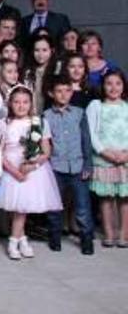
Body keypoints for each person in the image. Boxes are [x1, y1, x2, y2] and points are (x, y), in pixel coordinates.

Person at [0, 85, 63, 260]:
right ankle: (18, 240)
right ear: (9, 104)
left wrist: (31, 166)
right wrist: (14, 171)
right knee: (19, 209)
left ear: (31, 103)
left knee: (22, 209)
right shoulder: (3, 124)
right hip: (11, 169)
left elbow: (46, 151)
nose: (21, 106)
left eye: (25, 102)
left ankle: (17, 240)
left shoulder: (38, 122)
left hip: (32, 170)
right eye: (16, 102)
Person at [44, 76, 94, 255]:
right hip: (56, 166)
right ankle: (54, 237)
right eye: (59, 91)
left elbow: (86, 140)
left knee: (82, 206)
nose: (63, 95)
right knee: (55, 205)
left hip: (78, 165)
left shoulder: (80, 113)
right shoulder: (47, 116)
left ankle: (86, 239)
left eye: (67, 91)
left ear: (72, 92)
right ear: (51, 93)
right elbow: (46, 142)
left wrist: (88, 164)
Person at [86, 71, 128, 247]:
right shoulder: (96, 106)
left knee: (125, 198)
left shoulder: (126, 106)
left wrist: (125, 154)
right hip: (104, 159)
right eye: (109, 83)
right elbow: (92, 134)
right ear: (103, 86)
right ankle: (109, 233)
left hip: (125, 158)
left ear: (123, 86)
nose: (113, 88)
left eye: (118, 83)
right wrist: (106, 153)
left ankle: (124, 234)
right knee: (107, 198)